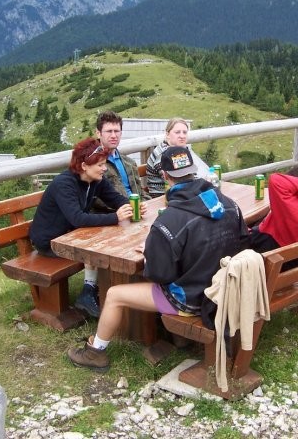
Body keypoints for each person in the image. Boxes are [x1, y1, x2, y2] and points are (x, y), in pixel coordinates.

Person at [67, 146, 249, 372]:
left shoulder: (169, 220)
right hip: (224, 288)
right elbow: (242, 240)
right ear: (193, 172)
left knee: (114, 294)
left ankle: (96, 352)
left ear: (164, 176)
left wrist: (151, 252)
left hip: (193, 299)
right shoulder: (229, 203)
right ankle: (176, 338)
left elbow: (159, 275)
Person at [29, 138, 145, 318]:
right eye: (100, 164)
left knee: (104, 240)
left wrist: (131, 206)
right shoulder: (64, 184)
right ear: (84, 165)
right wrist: (115, 216)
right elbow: (78, 218)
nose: (104, 168)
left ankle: (93, 291)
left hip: (71, 235)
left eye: (104, 163)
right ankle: (90, 292)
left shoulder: (96, 180)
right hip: (50, 241)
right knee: (102, 245)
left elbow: (114, 198)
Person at [93, 110, 151, 208]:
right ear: (98, 133)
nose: (113, 136)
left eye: (116, 131)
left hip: (137, 210)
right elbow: (95, 199)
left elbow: (140, 192)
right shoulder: (93, 164)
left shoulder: (129, 162)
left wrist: (146, 203)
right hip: (114, 214)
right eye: (109, 131)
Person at [145, 117, 209, 197]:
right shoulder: (163, 154)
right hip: (163, 198)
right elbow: (173, 181)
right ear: (167, 134)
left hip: (180, 193)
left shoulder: (182, 150)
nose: (182, 136)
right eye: (177, 132)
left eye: (184, 132)